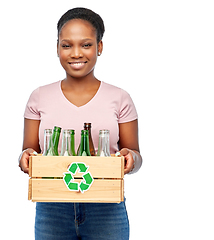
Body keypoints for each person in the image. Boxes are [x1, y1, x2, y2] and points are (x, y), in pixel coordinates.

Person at [19, 7, 142, 240]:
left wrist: (130, 158)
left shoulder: (120, 98)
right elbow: (29, 150)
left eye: (85, 44)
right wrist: (25, 157)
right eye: (67, 45)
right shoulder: (39, 96)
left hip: (106, 206)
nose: (76, 53)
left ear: (99, 47)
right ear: (57, 48)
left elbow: (135, 154)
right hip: (52, 205)